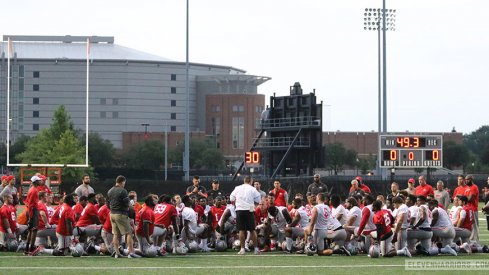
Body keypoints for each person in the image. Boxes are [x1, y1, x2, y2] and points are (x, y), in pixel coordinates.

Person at [107, 175, 139, 258]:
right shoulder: (123, 191)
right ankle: (131, 253)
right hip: (120, 214)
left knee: (116, 234)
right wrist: (131, 209)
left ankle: (117, 253)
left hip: (112, 214)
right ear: (122, 182)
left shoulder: (110, 191)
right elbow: (127, 204)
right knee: (129, 232)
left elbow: (107, 204)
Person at [229, 175, 261, 255]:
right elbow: (258, 199)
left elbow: (231, 198)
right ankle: (256, 249)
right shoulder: (253, 189)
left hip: (239, 210)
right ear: (251, 181)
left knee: (241, 230)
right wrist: (252, 205)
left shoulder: (237, 188)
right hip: (249, 210)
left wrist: (237, 203)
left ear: (244, 181)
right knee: (252, 230)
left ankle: (242, 249)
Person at [25, 175, 42, 255]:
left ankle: (27, 248)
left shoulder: (32, 189)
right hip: (33, 211)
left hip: (32, 210)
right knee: (34, 230)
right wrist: (31, 216)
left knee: (31, 230)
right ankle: (31, 248)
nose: (40, 181)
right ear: (35, 182)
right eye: (39, 180)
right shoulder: (34, 190)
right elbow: (31, 204)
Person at [464, 175, 479, 243]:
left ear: (471, 179)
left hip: (473, 209)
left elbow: (470, 199)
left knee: (474, 225)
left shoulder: (474, 187)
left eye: (467, 179)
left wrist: (463, 198)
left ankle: (476, 241)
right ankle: (471, 240)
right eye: (466, 179)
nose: (466, 181)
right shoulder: (467, 188)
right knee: (469, 225)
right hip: (468, 209)